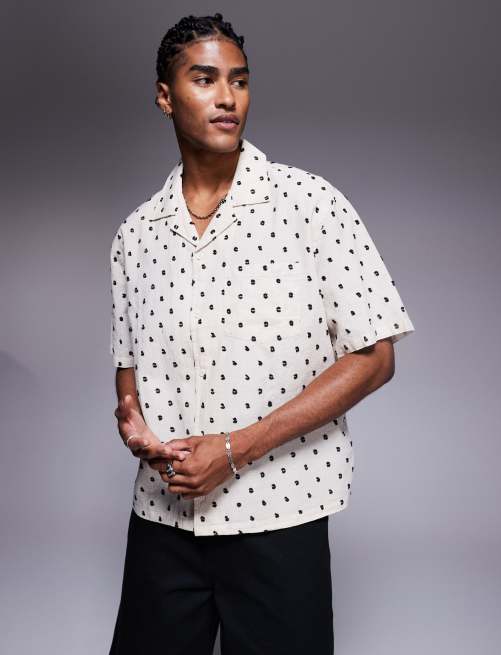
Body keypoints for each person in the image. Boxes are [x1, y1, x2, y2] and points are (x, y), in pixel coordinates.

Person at [108, 12, 415, 655]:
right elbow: (129, 365)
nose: (227, 97)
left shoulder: (310, 204)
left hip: (280, 512)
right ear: (165, 96)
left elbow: (375, 356)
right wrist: (131, 418)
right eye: (205, 79)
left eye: (239, 81)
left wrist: (235, 449)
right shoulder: (135, 234)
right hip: (164, 518)